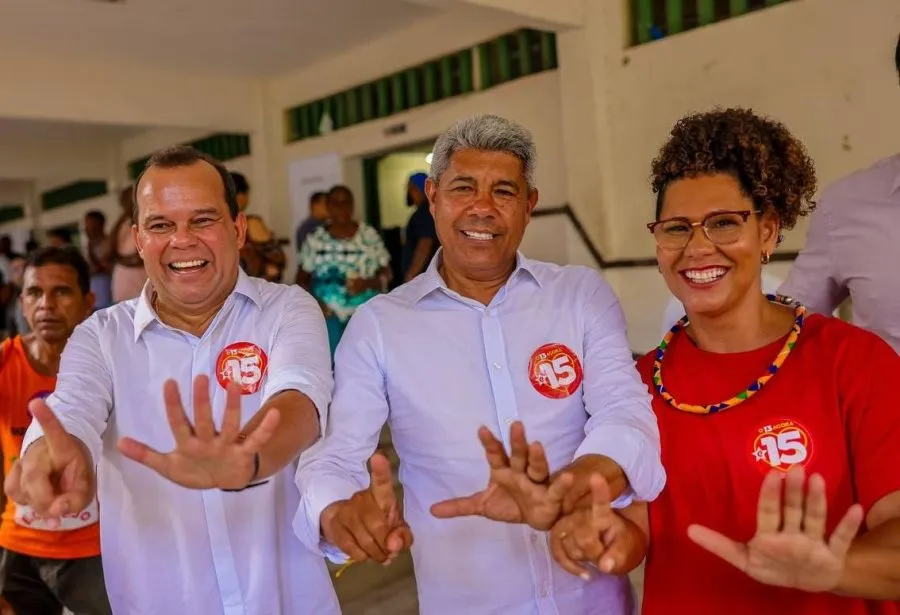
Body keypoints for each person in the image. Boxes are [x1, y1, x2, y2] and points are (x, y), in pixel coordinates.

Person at [294, 115, 665, 615]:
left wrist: (567, 489)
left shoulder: (578, 296)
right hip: (466, 600)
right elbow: (336, 455)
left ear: (529, 205)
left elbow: (624, 412)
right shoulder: (380, 324)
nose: (482, 208)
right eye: (463, 187)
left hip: (591, 598)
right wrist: (337, 511)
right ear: (432, 197)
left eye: (504, 192)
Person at [556, 108, 900, 614]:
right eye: (676, 228)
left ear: (767, 232)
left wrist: (834, 567)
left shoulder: (853, 361)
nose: (697, 247)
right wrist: (597, 536)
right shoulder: (640, 382)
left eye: (724, 223)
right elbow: (640, 530)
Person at [4, 146, 339, 615]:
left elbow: (300, 397)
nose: (183, 240)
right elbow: (72, 408)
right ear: (139, 240)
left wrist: (247, 458)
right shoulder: (101, 336)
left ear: (238, 229)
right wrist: (52, 453)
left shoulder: (287, 307)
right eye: (162, 225)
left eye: (203, 220)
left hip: (287, 600)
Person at [0, 247, 111, 615]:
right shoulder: (5, 362)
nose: (46, 304)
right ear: (22, 301)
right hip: (20, 543)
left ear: (88, 300)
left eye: (61, 291)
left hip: (96, 545)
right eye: (34, 292)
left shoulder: (113, 365)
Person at [296, 185, 391, 356]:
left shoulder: (368, 236)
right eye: (335, 203)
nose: (341, 207)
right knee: (332, 365)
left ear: (353, 206)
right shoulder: (315, 239)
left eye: (345, 202)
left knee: (364, 363)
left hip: (363, 314)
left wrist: (368, 283)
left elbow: (387, 274)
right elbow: (301, 279)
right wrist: (315, 302)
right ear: (328, 207)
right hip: (328, 316)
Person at [233, 172, 286, 283]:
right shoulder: (251, 223)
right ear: (242, 196)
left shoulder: (215, 226)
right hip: (258, 292)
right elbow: (277, 258)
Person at [110, 187, 147, 303]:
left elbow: (140, 258)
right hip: (122, 282)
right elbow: (109, 250)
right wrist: (125, 214)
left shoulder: (146, 220)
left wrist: (120, 260)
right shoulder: (124, 223)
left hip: (141, 281)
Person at [402, 172, 439, 282]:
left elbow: (425, 244)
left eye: (411, 188)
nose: (409, 193)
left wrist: (412, 274)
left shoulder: (423, 213)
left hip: (422, 276)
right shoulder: (428, 211)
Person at [83, 210, 113, 310]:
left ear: (100, 224)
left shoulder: (110, 243)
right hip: (94, 294)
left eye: (90, 224)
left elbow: (106, 267)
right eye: (86, 224)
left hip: (110, 291)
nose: (86, 228)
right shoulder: (87, 247)